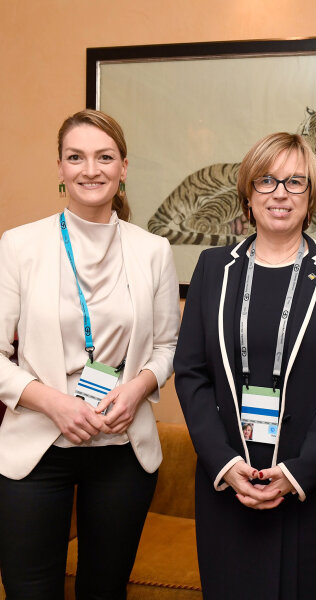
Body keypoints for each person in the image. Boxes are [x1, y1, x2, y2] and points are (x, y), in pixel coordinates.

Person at [174, 132, 316, 599]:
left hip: (310, 485)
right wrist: (223, 463)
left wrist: (298, 472)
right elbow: (191, 372)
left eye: (295, 182)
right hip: (229, 481)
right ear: (248, 192)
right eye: (266, 180)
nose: (280, 193)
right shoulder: (212, 267)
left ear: (311, 195)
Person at [0, 109, 180, 599]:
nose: (90, 169)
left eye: (104, 157)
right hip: (37, 447)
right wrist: (53, 403)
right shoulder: (19, 246)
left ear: (123, 167)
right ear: (59, 168)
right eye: (75, 157)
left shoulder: (153, 250)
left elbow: (167, 348)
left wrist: (139, 387)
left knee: (104, 590)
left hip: (121, 447)